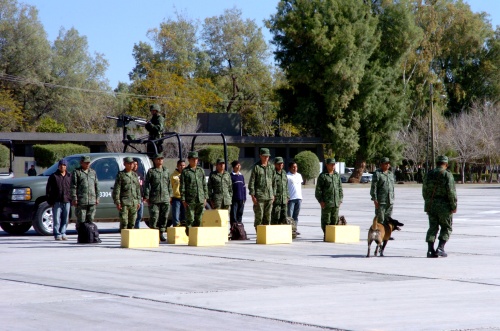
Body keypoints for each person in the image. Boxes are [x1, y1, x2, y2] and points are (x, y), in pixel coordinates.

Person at [422, 155, 457, 258]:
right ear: (446, 164)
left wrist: (428, 203)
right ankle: (440, 248)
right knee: (446, 227)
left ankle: (430, 250)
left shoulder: (429, 174)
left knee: (432, 227)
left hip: (431, 205)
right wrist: (453, 205)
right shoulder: (447, 175)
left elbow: (424, 191)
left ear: (437, 163)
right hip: (444, 206)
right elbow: (451, 192)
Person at [144, 153, 172, 241]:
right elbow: (147, 185)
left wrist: (170, 195)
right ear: (155, 160)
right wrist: (147, 196)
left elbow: (169, 184)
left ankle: (161, 233)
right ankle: (154, 234)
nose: (160, 161)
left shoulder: (166, 171)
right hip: (154, 198)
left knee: (164, 217)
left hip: (165, 197)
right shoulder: (151, 171)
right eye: (158, 159)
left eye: (161, 159)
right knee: (154, 217)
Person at [180, 151, 208, 235]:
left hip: (200, 198)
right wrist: (183, 199)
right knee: (190, 219)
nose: (195, 161)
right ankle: (189, 236)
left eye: (196, 159)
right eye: (193, 159)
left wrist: (205, 197)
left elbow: (204, 184)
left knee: (199, 219)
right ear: (189, 160)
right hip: (190, 199)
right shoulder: (185, 172)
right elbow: (182, 186)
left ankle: (197, 236)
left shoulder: (201, 170)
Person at [315, 158, 343, 236]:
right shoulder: (323, 176)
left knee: (335, 220)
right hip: (326, 203)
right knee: (326, 220)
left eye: (334, 164)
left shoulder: (337, 175)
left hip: (336, 203)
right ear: (327, 165)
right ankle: (326, 235)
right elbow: (318, 190)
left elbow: (340, 188)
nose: (333, 166)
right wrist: (321, 201)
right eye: (331, 164)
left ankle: (332, 236)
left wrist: (340, 199)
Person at [248, 148, 275, 229]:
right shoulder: (256, 167)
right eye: (264, 156)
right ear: (260, 156)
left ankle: (266, 236)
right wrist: (253, 196)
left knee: (268, 217)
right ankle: (259, 235)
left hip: (269, 196)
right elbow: (252, 182)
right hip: (259, 197)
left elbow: (274, 182)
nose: (266, 158)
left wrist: (274, 194)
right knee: (259, 217)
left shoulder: (271, 167)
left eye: (268, 156)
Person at [112, 157, 141, 230]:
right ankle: (124, 237)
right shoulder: (121, 175)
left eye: (132, 163)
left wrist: (139, 201)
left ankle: (130, 239)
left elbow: (138, 189)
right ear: (124, 164)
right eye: (129, 163)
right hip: (124, 202)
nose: (131, 165)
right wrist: (117, 202)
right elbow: (117, 189)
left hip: (134, 202)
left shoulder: (135, 175)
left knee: (132, 222)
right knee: (124, 222)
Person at [46, 159, 71, 240]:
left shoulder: (69, 176)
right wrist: (50, 201)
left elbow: (73, 188)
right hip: (57, 201)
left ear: (66, 166)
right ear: (58, 166)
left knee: (65, 219)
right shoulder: (53, 176)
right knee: (56, 219)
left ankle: (63, 232)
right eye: (61, 165)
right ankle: (57, 234)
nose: (62, 167)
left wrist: (72, 198)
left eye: (64, 165)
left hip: (67, 200)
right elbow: (48, 189)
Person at [71, 155, 99, 226]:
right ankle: (81, 235)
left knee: (90, 219)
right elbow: (73, 186)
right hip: (82, 201)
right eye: (86, 163)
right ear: (81, 163)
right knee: (81, 220)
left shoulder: (93, 172)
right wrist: (74, 198)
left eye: (88, 163)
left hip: (92, 200)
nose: (87, 164)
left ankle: (89, 235)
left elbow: (96, 186)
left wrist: (97, 198)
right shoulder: (77, 172)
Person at [370, 157, 395, 225]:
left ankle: (386, 235)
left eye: (388, 163)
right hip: (381, 201)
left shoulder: (391, 174)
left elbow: (392, 187)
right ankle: (379, 235)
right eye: (385, 163)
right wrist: (375, 199)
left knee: (388, 221)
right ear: (381, 164)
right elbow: (373, 187)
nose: (387, 165)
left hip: (390, 201)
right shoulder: (377, 174)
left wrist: (392, 198)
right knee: (380, 221)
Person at [287, 161, 303, 234]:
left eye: (296, 167)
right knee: (290, 216)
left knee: (296, 216)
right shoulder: (287, 176)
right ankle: (289, 229)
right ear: (289, 168)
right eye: (293, 167)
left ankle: (294, 229)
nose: (295, 168)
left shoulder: (299, 175)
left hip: (299, 198)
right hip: (291, 199)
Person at [272, 157, 289, 224]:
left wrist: (288, 196)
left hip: (284, 200)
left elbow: (286, 186)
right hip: (276, 200)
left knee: (284, 217)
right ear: (275, 164)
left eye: (281, 163)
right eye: (278, 164)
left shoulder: (284, 173)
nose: (280, 165)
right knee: (275, 217)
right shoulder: (273, 173)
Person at [169, 159, 186, 227]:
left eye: (183, 165)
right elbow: (170, 187)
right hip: (176, 198)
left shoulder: (186, 175)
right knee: (176, 216)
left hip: (185, 199)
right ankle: (176, 230)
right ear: (177, 166)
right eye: (180, 165)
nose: (182, 167)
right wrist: (170, 197)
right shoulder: (173, 176)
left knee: (184, 217)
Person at [230, 160, 246, 225]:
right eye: (237, 165)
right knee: (234, 215)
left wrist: (244, 198)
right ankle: (233, 229)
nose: (239, 166)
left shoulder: (241, 176)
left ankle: (239, 228)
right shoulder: (231, 176)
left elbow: (244, 187)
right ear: (234, 167)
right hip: (234, 199)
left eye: (240, 165)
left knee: (240, 214)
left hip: (241, 199)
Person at [133, 160, 145, 229]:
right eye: (134, 164)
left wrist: (144, 195)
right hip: (132, 198)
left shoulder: (140, 175)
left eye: (136, 164)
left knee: (140, 215)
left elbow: (143, 186)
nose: (135, 166)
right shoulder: (129, 174)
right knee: (133, 215)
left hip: (140, 197)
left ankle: (137, 227)